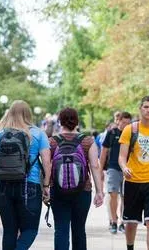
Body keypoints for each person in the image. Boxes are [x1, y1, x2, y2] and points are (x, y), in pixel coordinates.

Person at [0, 100, 52, 250]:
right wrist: (46, 185)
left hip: (2, 186)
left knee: (9, 230)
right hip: (29, 186)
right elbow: (47, 162)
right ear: (28, 114)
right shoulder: (38, 134)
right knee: (30, 230)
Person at [48, 107, 104, 250]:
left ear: (60, 122)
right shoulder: (87, 141)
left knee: (61, 230)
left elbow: (47, 166)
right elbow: (95, 166)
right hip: (82, 191)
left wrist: (45, 188)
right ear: (77, 121)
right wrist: (99, 191)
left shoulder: (52, 142)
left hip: (58, 191)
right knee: (79, 230)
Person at [118, 96, 149, 250]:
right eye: (146, 107)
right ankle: (130, 247)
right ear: (140, 109)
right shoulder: (130, 129)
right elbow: (122, 157)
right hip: (132, 181)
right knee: (131, 222)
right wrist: (124, 168)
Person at [100, 111, 132, 234]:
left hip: (128, 169)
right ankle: (113, 221)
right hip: (113, 168)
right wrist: (100, 170)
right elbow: (104, 152)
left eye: (128, 123)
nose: (126, 125)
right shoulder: (112, 133)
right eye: (124, 122)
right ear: (119, 121)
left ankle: (122, 222)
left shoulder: (132, 134)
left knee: (125, 197)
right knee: (113, 194)